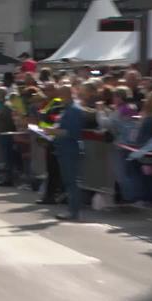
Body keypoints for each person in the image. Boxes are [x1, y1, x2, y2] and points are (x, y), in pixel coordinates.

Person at [45, 85, 84, 221]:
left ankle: (74, 212)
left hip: (69, 150)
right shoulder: (67, 109)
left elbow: (72, 132)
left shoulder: (73, 110)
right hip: (63, 149)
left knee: (71, 181)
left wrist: (52, 131)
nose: (59, 97)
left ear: (67, 94)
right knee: (69, 181)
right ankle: (72, 210)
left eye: (61, 94)